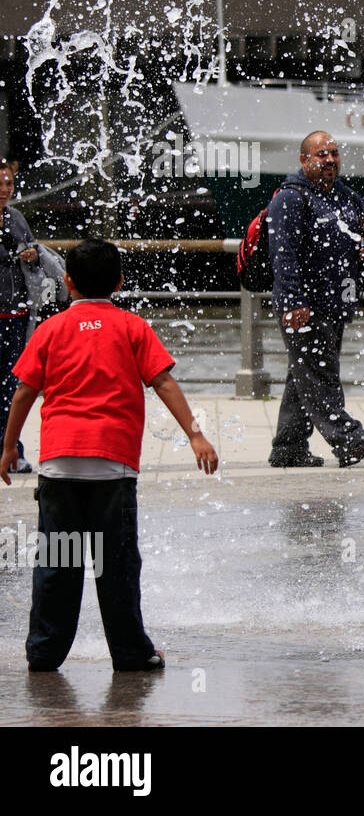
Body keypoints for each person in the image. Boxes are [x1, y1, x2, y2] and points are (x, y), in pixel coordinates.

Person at [1, 238, 218, 672]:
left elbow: (25, 391)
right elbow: (164, 383)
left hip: (59, 467)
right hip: (113, 469)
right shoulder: (133, 327)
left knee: (57, 565)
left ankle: (44, 652)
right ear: (120, 281)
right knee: (116, 567)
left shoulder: (50, 330)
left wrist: (8, 447)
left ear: (66, 282)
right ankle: (131, 653)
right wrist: (196, 436)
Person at [266, 131, 364, 468]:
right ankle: (349, 441)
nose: (330, 160)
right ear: (304, 160)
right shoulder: (289, 199)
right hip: (302, 305)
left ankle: (289, 448)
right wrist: (292, 301)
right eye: (321, 155)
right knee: (320, 375)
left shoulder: (349, 198)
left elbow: (363, 238)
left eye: (334, 154)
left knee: (304, 374)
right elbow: (283, 254)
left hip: (336, 303)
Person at [0, 158, 39, 474]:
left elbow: (34, 257)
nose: (4, 190)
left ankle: (12, 450)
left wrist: (32, 254)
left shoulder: (16, 218)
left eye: (9, 184)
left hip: (15, 314)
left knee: (12, 385)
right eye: (0, 184)